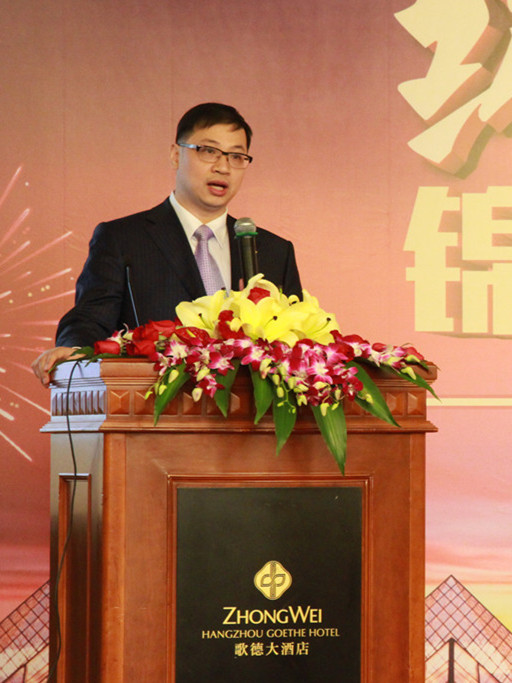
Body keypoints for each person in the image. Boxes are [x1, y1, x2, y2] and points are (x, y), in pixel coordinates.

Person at [32, 102, 302, 386]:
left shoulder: (273, 251)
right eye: (209, 151)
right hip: (151, 400)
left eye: (236, 156)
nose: (223, 167)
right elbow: (90, 318)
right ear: (175, 155)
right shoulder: (123, 238)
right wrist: (75, 348)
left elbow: (297, 336)